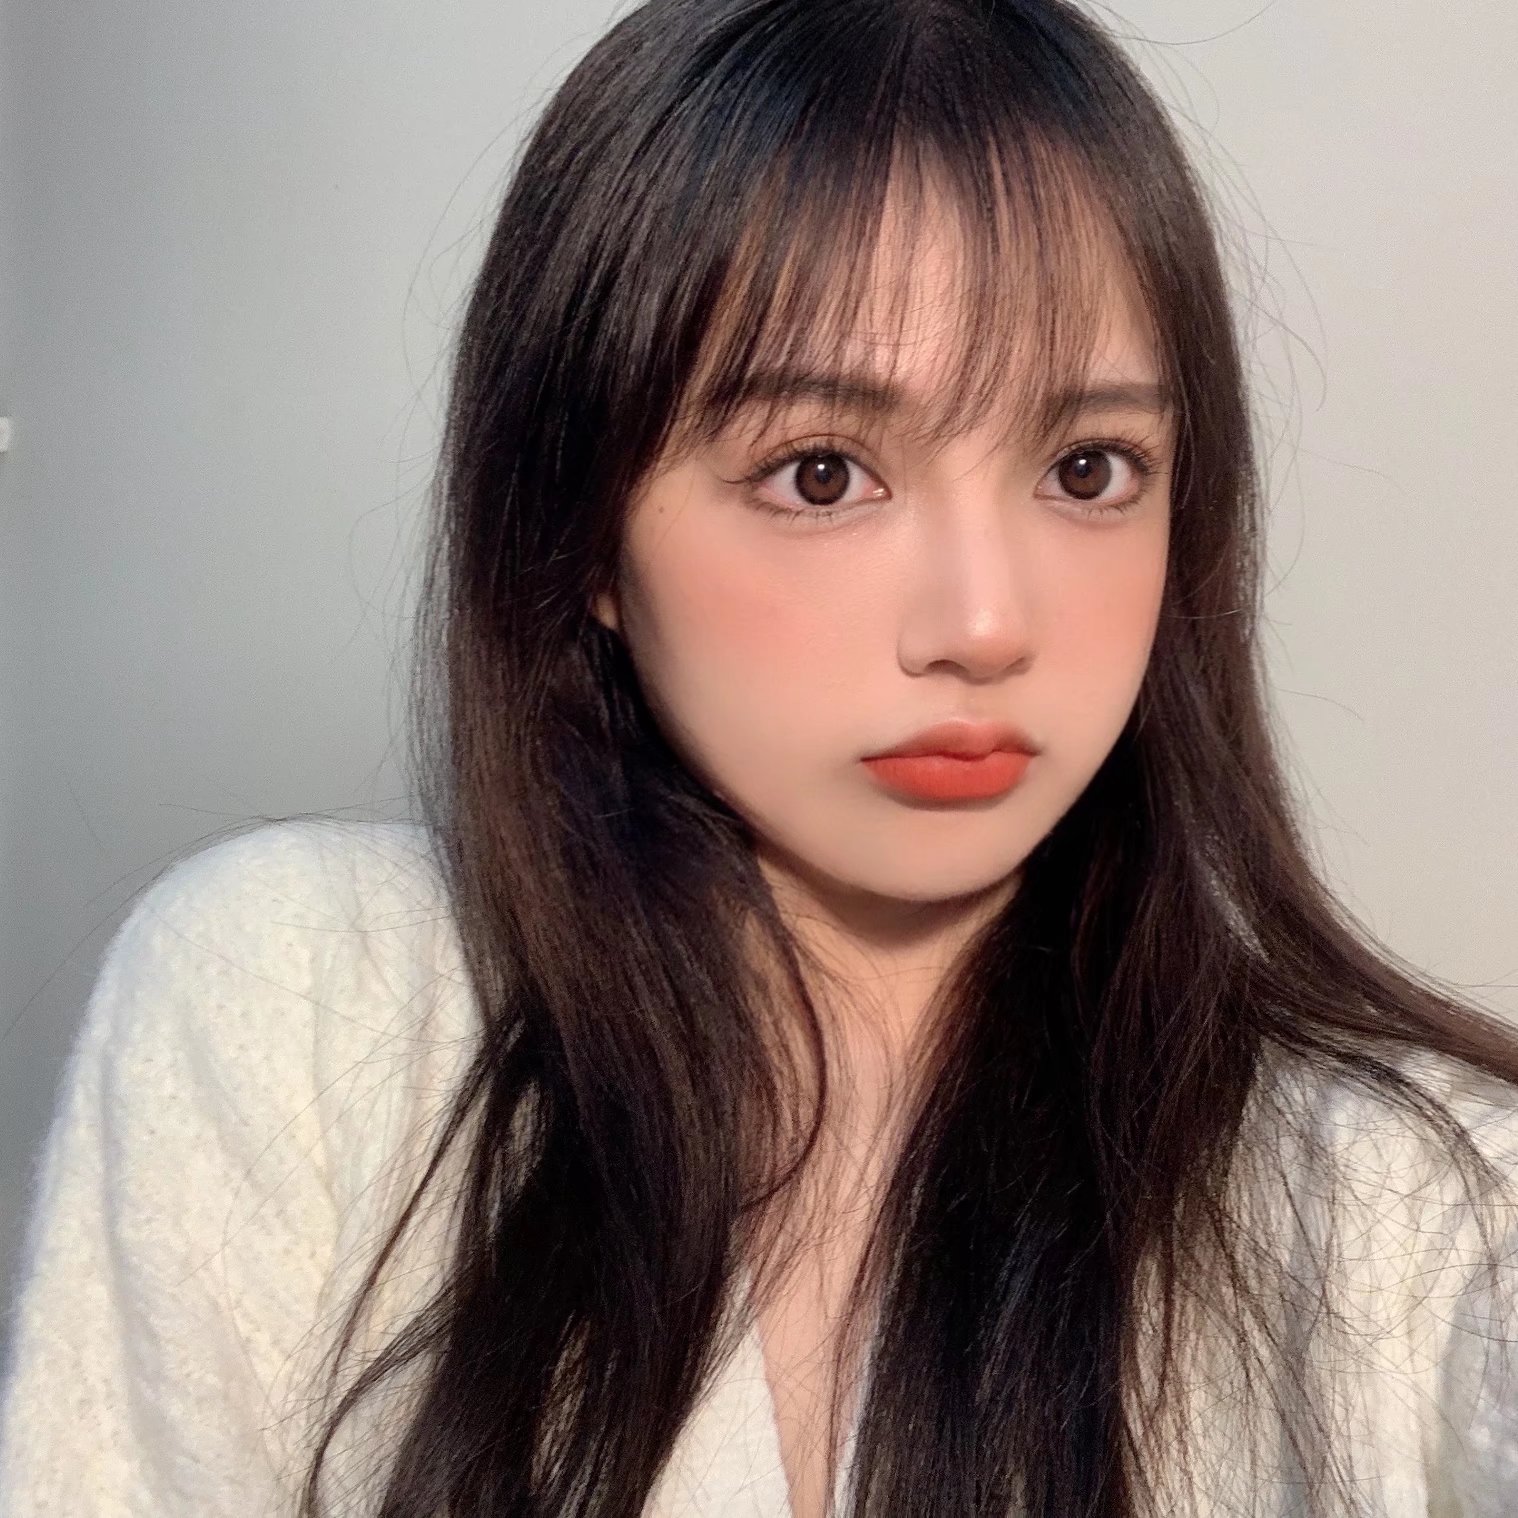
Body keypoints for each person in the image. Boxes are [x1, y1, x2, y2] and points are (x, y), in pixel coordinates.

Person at [3, 0, 1517, 1514]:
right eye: (822, 473)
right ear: (583, 531)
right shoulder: (301, 1008)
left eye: (1086, 468)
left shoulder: (1407, 1196)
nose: (986, 625)